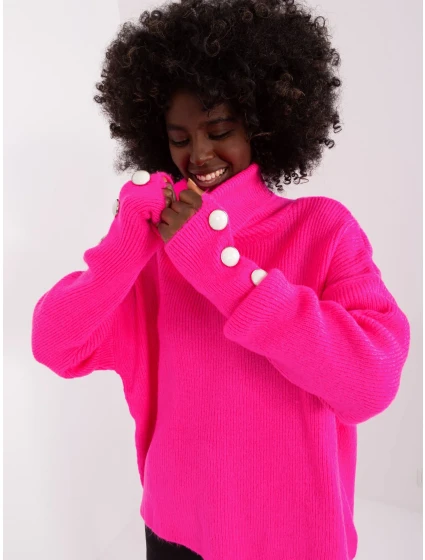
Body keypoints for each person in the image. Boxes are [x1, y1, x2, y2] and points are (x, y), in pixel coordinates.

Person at [31, 0, 411, 558]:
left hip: (292, 541)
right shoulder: (153, 256)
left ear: (261, 124)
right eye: (180, 137)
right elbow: (54, 345)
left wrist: (219, 267)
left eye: (220, 130)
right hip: (174, 531)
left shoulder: (322, 229)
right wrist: (126, 243)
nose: (199, 154)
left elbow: (370, 383)